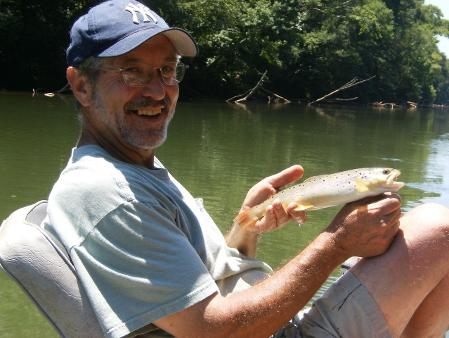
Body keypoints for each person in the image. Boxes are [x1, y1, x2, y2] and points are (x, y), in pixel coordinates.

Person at [43, 0, 449, 337]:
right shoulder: (107, 192)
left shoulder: (133, 170)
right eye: (132, 70)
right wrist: (336, 243)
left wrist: (245, 230)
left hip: (264, 322)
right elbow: (214, 332)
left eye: (167, 70)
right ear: (80, 85)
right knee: (438, 230)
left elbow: (202, 285)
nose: (156, 90)